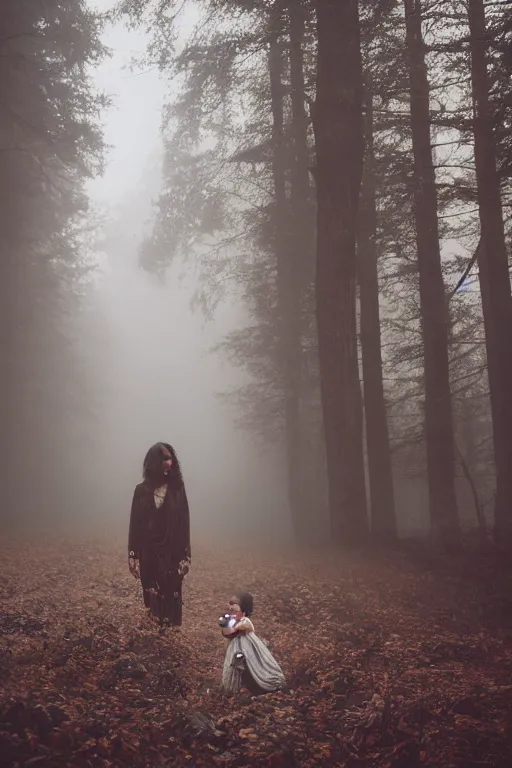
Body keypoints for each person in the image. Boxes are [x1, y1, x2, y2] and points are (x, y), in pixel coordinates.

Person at [128, 442, 191, 627]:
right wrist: (133, 554)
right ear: (154, 461)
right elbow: (135, 524)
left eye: (170, 458)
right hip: (148, 553)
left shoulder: (177, 489)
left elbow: (184, 523)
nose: (168, 462)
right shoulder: (141, 491)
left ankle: (171, 638)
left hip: (172, 553)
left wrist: (186, 555)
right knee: (151, 597)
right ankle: (154, 637)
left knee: (172, 596)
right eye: (164, 458)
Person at [221, 591, 285, 695]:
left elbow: (237, 629)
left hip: (247, 646)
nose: (231, 613)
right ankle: (240, 686)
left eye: (235, 611)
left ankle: (252, 685)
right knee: (237, 664)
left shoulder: (245, 621)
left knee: (248, 663)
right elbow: (226, 632)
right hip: (236, 646)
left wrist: (232, 627)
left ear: (244, 612)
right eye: (230, 610)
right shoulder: (233, 621)